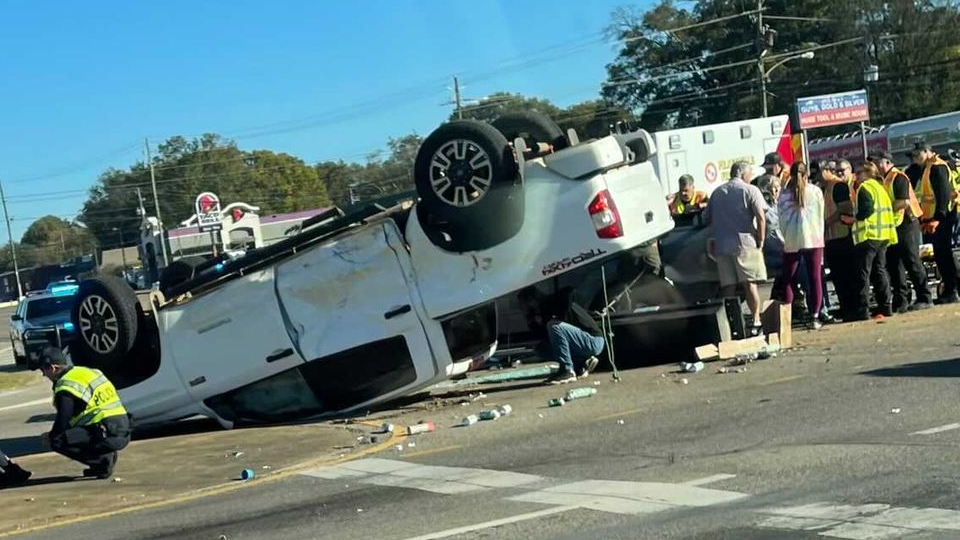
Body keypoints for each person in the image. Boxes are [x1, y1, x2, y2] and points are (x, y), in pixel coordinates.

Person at [37, 347, 131, 479]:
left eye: (43, 370)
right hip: (124, 429)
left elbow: (63, 419)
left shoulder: (66, 386)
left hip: (107, 433)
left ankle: (102, 462)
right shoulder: (89, 372)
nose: (44, 375)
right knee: (71, 433)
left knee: (57, 440)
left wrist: (51, 435)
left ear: (53, 368)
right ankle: (103, 458)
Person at [704, 161, 767, 335]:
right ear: (743, 174)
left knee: (729, 287)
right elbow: (761, 217)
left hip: (723, 246)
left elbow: (706, 219)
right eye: (750, 174)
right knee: (750, 284)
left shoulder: (717, 193)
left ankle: (730, 324)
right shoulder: (750, 190)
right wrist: (761, 239)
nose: (751, 177)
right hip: (745, 244)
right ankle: (755, 321)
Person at [873, 151, 932, 312]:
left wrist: (884, 211)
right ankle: (902, 300)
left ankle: (924, 297)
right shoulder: (884, 179)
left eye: (877, 162)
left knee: (911, 260)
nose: (875, 166)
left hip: (907, 222)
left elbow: (903, 202)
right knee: (894, 263)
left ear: (886, 162)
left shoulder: (898, 177)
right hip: (893, 224)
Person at [775, 162, 826, 329]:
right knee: (815, 277)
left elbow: (780, 220)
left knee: (788, 278)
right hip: (813, 238)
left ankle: (787, 317)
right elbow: (821, 214)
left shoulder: (783, 195)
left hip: (792, 239)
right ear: (806, 175)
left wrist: (787, 235)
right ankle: (815, 316)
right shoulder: (815, 191)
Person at [518, 288, 603, 385]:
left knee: (554, 326)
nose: (522, 308)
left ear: (532, 300)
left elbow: (569, 292)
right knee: (541, 349)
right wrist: (533, 323)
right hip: (581, 341)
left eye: (524, 305)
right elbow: (551, 339)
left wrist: (553, 317)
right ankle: (581, 364)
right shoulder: (540, 314)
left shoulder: (554, 301)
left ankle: (567, 370)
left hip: (593, 339)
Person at [851, 162, 898, 320]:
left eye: (858, 173)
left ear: (867, 173)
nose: (855, 176)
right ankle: (886, 306)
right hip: (883, 235)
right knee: (880, 271)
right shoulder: (880, 188)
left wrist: (855, 218)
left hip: (868, 235)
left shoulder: (865, 188)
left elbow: (867, 210)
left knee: (863, 273)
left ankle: (862, 309)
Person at [915, 144, 959, 304]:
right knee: (942, 255)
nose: (915, 158)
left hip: (943, 218)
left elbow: (942, 195)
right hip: (936, 218)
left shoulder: (937, 167)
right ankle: (951, 289)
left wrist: (937, 219)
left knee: (944, 255)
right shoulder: (928, 168)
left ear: (927, 152)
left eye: (917, 154)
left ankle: (952, 290)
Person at [821, 161, 857, 321]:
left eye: (819, 172)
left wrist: (828, 222)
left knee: (846, 276)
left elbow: (846, 207)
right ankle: (845, 308)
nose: (816, 177)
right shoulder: (827, 188)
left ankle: (851, 308)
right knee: (838, 277)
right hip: (832, 237)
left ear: (828, 171)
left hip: (842, 235)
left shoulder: (838, 186)